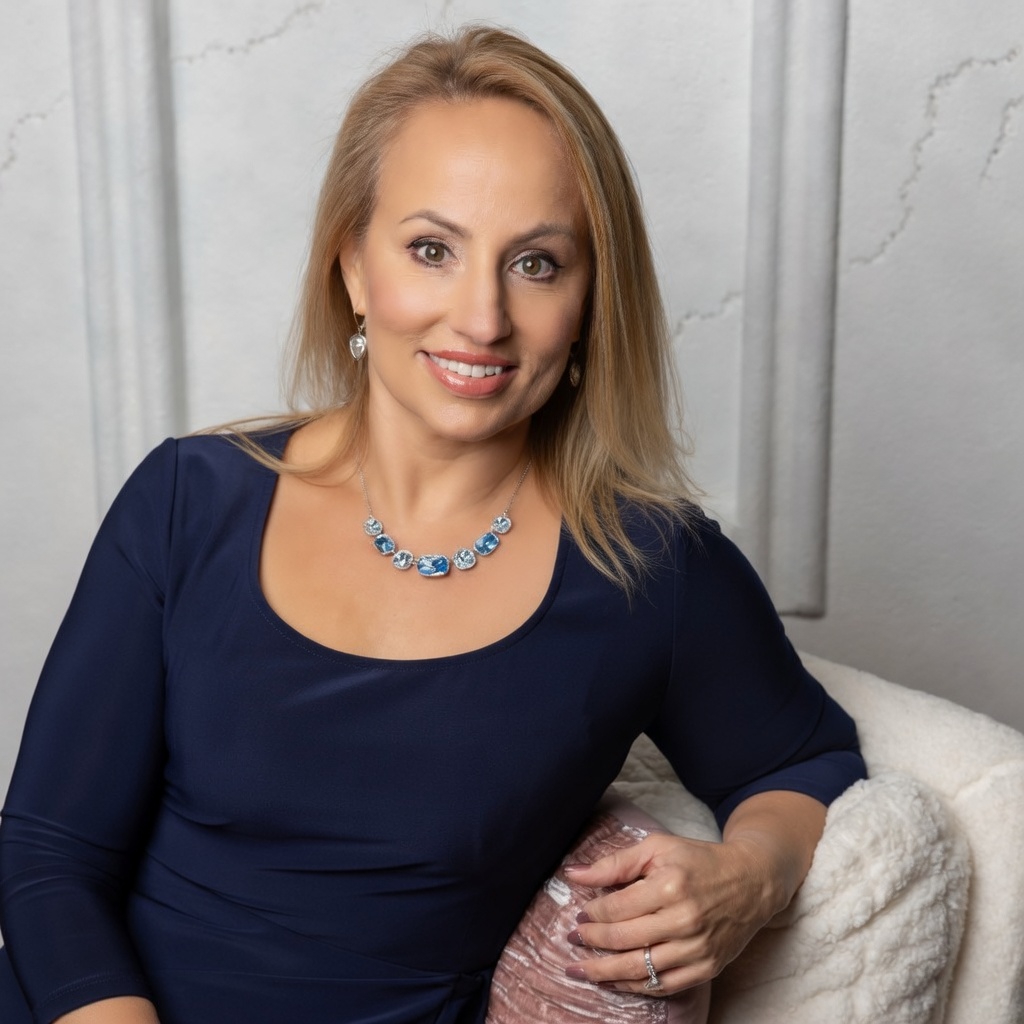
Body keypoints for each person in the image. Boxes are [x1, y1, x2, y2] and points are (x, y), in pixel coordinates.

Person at [0, 25, 865, 1024]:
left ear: (589, 303)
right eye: (430, 250)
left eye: (536, 264)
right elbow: (48, 854)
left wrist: (751, 875)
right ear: (355, 271)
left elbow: (802, 756)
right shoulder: (189, 500)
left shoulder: (649, 567)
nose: (482, 318)